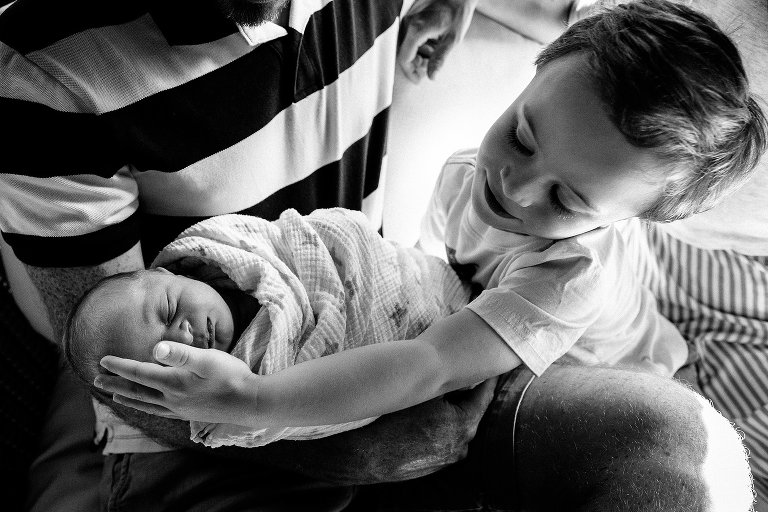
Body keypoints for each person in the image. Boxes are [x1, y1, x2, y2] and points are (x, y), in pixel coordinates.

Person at [91, 2, 764, 510]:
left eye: (569, 199)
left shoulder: (569, 276)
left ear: (632, 220)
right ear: (532, 76)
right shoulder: (466, 168)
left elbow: (431, 363)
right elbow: (433, 274)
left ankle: (672, 354)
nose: (517, 189)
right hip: (497, 314)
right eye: (523, 138)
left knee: (657, 391)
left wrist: (259, 398)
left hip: (601, 353)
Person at [0, 0, 492, 509]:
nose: (186, 337)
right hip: (199, 439)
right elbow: (127, 385)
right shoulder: (47, 75)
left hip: (372, 314)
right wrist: (361, 440)